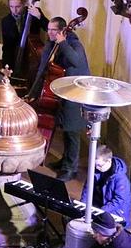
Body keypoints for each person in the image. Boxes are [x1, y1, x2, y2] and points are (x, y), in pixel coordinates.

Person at [27, 16, 90, 181]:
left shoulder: (74, 44)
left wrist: (63, 43)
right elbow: (44, 68)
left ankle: (71, 169)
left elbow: (76, 61)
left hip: (75, 95)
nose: (49, 33)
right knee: (65, 131)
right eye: (48, 29)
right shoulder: (53, 44)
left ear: (62, 31)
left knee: (72, 132)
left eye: (53, 30)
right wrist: (33, 92)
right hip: (63, 94)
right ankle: (65, 161)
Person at [81, 145, 131, 226]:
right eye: (95, 165)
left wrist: (100, 211)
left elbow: (118, 201)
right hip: (98, 207)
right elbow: (87, 190)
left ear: (108, 161)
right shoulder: (95, 170)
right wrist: (83, 207)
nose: (97, 168)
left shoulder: (121, 179)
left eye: (99, 165)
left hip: (114, 212)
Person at [0, 0, 48, 71]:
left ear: (24, 4)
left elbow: (49, 28)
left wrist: (39, 16)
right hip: (14, 58)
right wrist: (6, 67)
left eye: (18, 7)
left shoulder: (33, 13)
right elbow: (7, 47)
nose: (14, 10)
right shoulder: (6, 21)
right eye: (11, 7)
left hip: (31, 56)